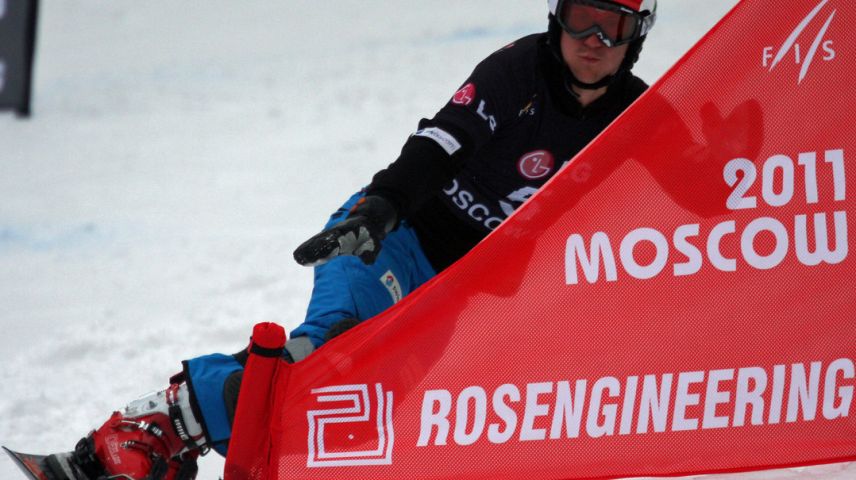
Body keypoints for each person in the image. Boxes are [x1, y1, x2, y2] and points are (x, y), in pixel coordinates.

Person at [41, 1, 658, 478]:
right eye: (584, 19)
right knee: (335, 356)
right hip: (393, 234)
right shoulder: (516, 70)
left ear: (639, 36)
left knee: (364, 412)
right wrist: (384, 207)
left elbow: (703, 184)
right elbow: (441, 144)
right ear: (557, 16)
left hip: (457, 290)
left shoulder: (636, 111)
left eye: (616, 28)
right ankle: (141, 433)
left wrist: (734, 148)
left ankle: (207, 449)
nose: (595, 42)